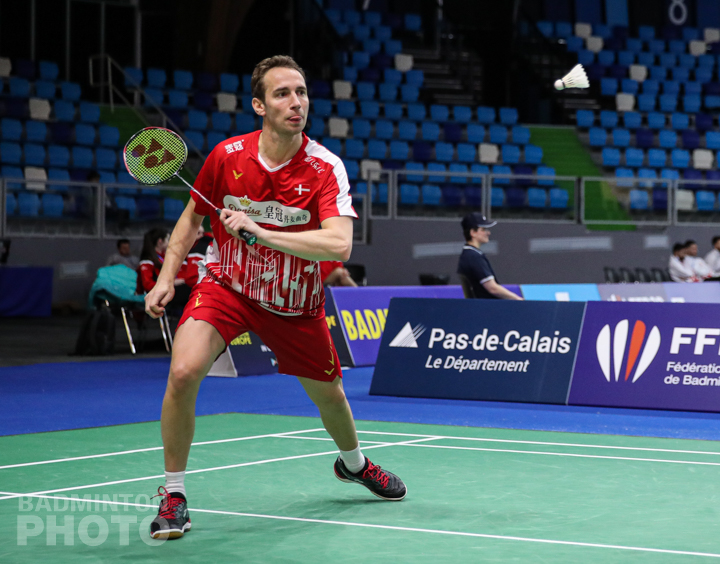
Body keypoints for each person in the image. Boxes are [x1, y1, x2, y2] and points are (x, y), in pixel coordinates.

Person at [144, 55, 406, 540]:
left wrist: (261, 232)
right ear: (259, 105)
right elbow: (192, 219)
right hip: (228, 287)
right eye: (282, 93)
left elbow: (339, 244)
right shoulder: (226, 157)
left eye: (301, 92)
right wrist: (166, 277)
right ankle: (174, 494)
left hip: (294, 303)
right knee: (182, 372)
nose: (296, 102)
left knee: (330, 396)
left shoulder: (325, 167)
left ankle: (353, 464)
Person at [457, 212, 522, 300]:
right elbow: (492, 288)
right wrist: (519, 300)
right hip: (487, 306)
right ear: (473, 233)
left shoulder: (469, 254)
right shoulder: (474, 257)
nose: (488, 233)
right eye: (483, 229)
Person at [138, 228, 191, 309]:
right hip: (159, 295)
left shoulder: (166, 257)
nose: (170, 242)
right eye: (168, 239)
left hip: (170, 292)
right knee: (190, 292)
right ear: (160, 241)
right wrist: (171, 283)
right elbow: (147, 285)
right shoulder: (147, 261)